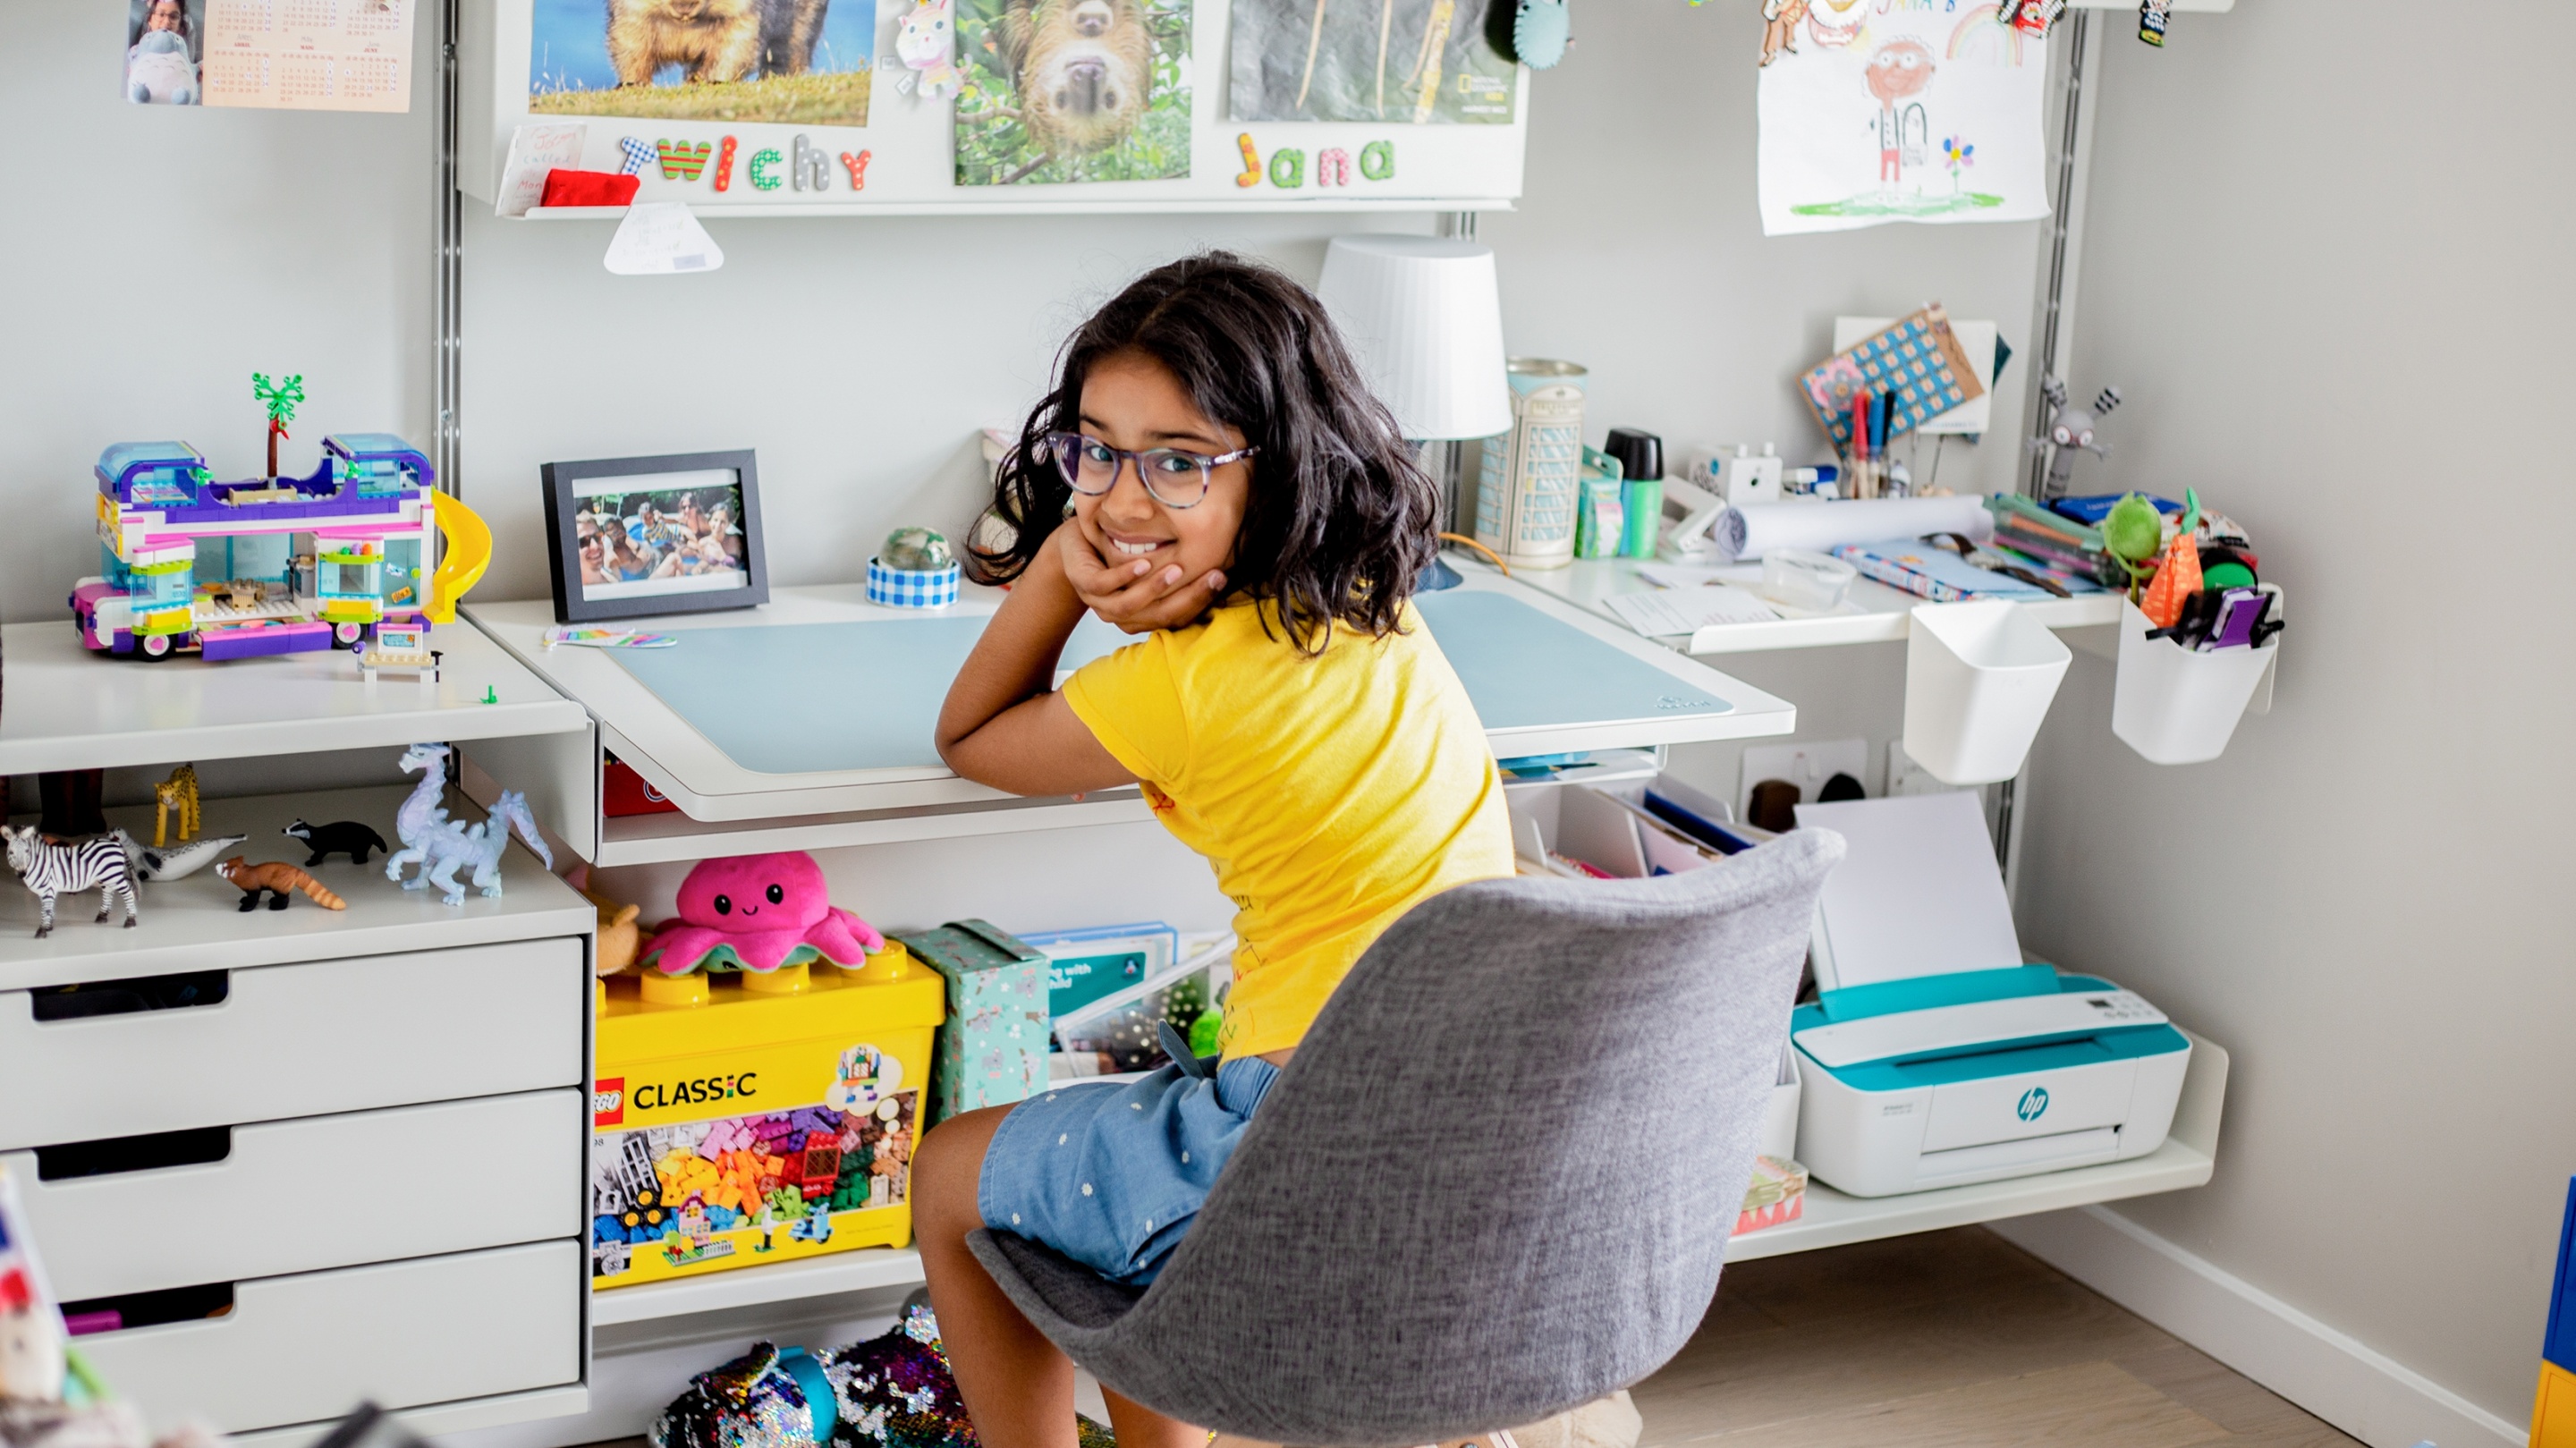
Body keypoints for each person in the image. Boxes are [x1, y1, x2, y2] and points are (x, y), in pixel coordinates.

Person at [918, 252, 1515, 1448]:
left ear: (1280, 469)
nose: (1123, 503)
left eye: (1180, 462)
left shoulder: (1184, 688)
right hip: (1471, 1127)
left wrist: (1054, 580)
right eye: (1097, 450)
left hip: (1295, 1146)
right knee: (1122, 1158)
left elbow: (971, 735)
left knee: (949, 1174)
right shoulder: (1375, 606)